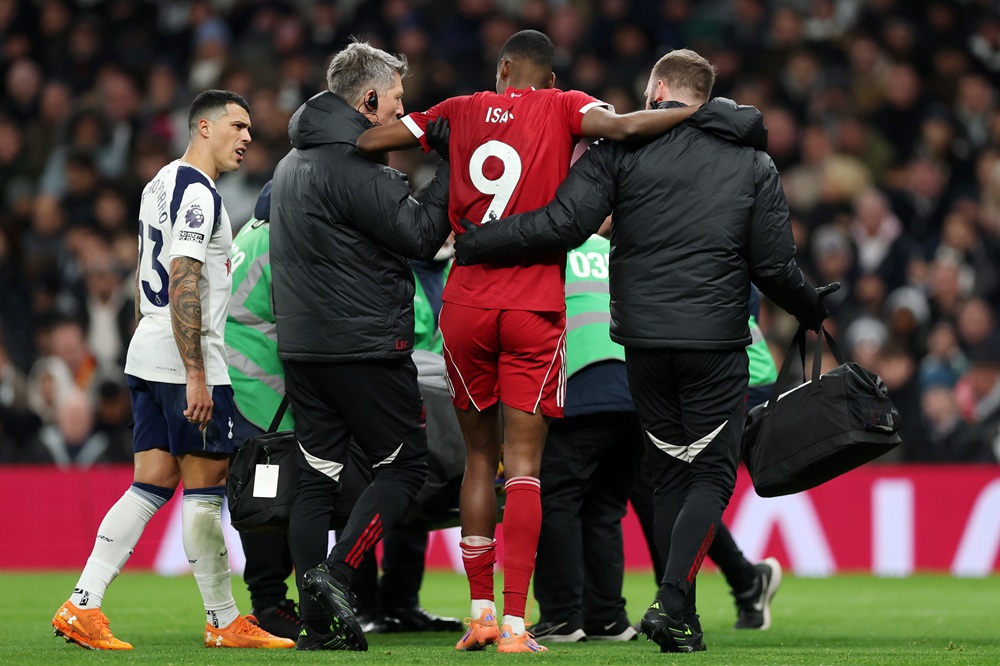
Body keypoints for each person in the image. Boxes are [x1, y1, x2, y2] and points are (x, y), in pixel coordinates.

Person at [453, 49, 830, 653]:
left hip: (644, 346)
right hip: (715, 342)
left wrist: (481, 241)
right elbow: (775, 266)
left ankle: (677, 611)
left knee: (669, 476)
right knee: (707, 474)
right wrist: (811, 306)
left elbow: (562, 223)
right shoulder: (753, 162)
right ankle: (674, 600)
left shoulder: (622, 150)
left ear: (655, 89)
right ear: (705, 97)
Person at [355, 29, 697, 654]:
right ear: (543, 76)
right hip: (533, 304)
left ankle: (479, 613)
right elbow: (620, 129)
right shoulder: (566, 105)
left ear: (504, 67)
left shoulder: (455, 112)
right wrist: (698, 110)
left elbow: (373, 139)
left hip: (464, 304)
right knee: (527, 469)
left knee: (479, 460)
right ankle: (516, 622)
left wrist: (424, 138)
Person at [52, 90, 295, 651]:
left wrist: (155, 345)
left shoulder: (158, 182)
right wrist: (195, 374)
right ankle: (223, 619)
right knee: (205, 489)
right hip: (188, 358)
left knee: (151, 481)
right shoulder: (199, 194)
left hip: (149, 346)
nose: (248, 138)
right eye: (238, 126)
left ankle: (83, 602)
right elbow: (184, 276)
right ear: (204, 127)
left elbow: (149, 275)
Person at [269, 39, 452, 652]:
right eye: (398, 100)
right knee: (404, 466)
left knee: (317, 480)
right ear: (369, 100)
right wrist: (456, 163)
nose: (404, 111)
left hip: (303, 350)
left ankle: (317, 629)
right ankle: (338, 574)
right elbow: (424, 235)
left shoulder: (291, 166)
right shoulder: (354, 166)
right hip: (366, 346)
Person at [630, 285, 783, 633]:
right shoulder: (703, 240)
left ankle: (674, 603)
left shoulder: (657, 245)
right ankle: (738, 584)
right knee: (677, 487)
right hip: (708, 365)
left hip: (725, 372)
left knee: (680, 485)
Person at [529, 226, 643, 644]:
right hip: (634, 392)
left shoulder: (545, 249)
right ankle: (607, 618)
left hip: (579, 385)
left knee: (557, 500)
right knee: (604, 508)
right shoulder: (616, 249)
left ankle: (561, 616)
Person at [223, 180, 300, 640]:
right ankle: (268, 605)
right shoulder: (277, 243)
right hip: (260, 396)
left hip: (243, 389)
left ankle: (271, 601)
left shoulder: (248, 234)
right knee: (269, 503)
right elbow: (297, 321)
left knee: (268, 499)